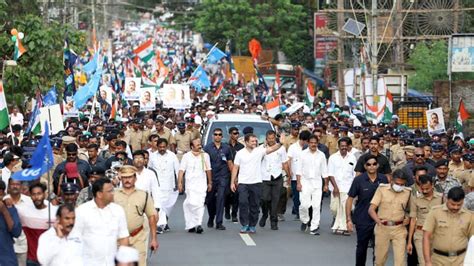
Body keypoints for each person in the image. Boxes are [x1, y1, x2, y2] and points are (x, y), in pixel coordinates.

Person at [231, 133, 283, 234]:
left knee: (254, 205)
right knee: (243, 202)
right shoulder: (240, 153)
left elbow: (272, 149)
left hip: (256, 183)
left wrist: (280, 142)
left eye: (255, 141)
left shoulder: (259, 151)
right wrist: (232, 182)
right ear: (246, 142)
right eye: (252, 141)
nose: (254, 143)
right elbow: (235, 168)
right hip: (243, 183)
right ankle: (244, 224)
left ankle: (252, 225)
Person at [74, 178, 129, 265]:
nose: (113, 193)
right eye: (109, 191)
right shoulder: (82, 211)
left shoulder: (118, 210)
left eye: (113, 190)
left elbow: (123, 237)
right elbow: (74, 239)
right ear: (99, 194)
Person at [346, 154, 389, 266]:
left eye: (374, 164)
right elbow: (350, 199)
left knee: (378, 248)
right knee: (362, 247)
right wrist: (348, 219)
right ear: (365, 166)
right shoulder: (358, 180)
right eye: (369, 164)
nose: (372, 166)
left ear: (378, 165)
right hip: (362, 219)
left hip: (379, 219)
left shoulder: (383, 179)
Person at [114, 165, 158, 266]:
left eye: (130, 177)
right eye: (124, 177)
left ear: (135, 178)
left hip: (138, 236)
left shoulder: (144, 195)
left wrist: (154, 239)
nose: (127, 180)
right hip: (118, 238)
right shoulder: (113, 194)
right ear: (121, 178)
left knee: (140, 263)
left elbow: (151, 216)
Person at [368, 169, 411, 266]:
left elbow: (410, 210)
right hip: (383, 227)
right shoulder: (382, 189)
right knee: (380, 260)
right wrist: (378, 221)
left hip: (399, 229)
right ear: (391, 180)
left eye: (402, 184)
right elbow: (371, 209)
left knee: (400, 262)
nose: (399, 186)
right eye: (397, 183)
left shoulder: (408, 192)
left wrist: (407, 218)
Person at [423, 187, 474, 265]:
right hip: (438, 260)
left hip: (461, 260)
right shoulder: (435, 212)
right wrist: (427, 261)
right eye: (452, 204)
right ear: (446, 199)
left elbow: (472, 240)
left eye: (459, 205)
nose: (455, 207)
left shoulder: (469, 216)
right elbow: (426, 237)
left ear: (463, 201)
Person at [16, 183, 59, 266]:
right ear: (30, 196)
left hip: (49, 259)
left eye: (39, 194)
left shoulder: (53, 212)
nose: (36, 197)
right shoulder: (24, 210)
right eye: (34, 194)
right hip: (32, 259)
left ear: (44, 194)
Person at [407, 174, 443, 266]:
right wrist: (409, 241)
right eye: (422, 189)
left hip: (437, 234)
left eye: (427, 188)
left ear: (432, 185)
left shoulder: (441, 198)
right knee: (423, 262)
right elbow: (413, 220)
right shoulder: (416, 199)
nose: (425, 191)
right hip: (420, 234)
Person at [178, 138, 212, 234]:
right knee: (191, 204)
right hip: (190, 185)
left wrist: (210, 182)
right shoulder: (186, 156)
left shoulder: (205, 156)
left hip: (201, 184)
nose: (199, 146)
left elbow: (208, 170)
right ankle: (191, 224)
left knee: (200, 204)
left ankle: (198, 224)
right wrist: (179, 183)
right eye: (197, 145)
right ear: (192, 146)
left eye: (200, 144)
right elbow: (181, 170)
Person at [296, 135, 328, 236]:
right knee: (304, 205)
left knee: (316, 205)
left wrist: (326, 184)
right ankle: (305, 220)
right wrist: (298, 183)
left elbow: (325, 171)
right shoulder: (302, 154)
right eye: (311, 142)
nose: (313, 144)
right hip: (305, 182)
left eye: (315, 143)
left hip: (317, 182)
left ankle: (314, 227)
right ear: (308, 143)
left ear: (317, 143)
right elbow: (298, 170)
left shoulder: (321, 155)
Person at [148, 138, 180, 233]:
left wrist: (179, 183)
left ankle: (164, 223)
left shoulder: (172, 156)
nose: (162, 148)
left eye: (164, 147)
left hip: (170, 185)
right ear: (157, 147)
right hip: (157, 185)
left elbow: (177, 170)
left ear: (167, 147)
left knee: (168, 205)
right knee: (160, 204)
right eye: (160, 147)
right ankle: (160, 225)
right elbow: (150, 170)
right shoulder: (152, 156)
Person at [204, 128, 233, 230]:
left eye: (220, 134)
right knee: (210, 200)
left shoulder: (226, 148)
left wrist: (234, 178)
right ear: (213, 136)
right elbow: (204, 164)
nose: (218, 136)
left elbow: (230, 163)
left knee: (221, 198)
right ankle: (211, 216)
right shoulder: (207, 148)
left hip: (223, 176)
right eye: (216, 134)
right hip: (211, 177)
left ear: (222, 136)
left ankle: (219, 222)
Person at [259, 130, 289, 230]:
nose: (271, 140)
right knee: (264, 199)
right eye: (269, 139)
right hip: (264, 177)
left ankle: (274, 221)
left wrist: (288, 175)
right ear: (266, 139)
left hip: (277, 177)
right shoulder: (261, 148)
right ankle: (264, 214)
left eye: (273, 138)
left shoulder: (281, 149)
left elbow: (285, 163)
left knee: (275, 201)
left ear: (275, 138)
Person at [327, 137, 356, 235]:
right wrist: (335, 187)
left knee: (345, 207)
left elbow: (354, 173)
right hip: (335, 187)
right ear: (338, 147)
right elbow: (330, 173)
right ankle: (337, 221)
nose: (344, 148)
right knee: (334, 208)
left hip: (348, 187)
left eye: (345, 146)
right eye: (342, 146)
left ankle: (343, 228)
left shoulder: (352, 157)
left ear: (348, 147)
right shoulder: (333, 158)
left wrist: (355, 188)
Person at [4, 178, 32, 266]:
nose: (15, 186)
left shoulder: (29, 201)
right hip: (6, 246)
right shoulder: (3, 201)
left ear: (21, 186)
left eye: (17, 184)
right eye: (13, 184)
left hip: (22, 245)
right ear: (8, 186)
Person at [287, 130, 311, 220]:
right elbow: (289, 160)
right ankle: (298, 212)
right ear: (301, 140)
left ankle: (306, 212)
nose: (306, 143)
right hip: (295, 177)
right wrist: (289, 172)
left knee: (305, 196)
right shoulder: (293, 147)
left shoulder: (309, 148)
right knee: (296, 196)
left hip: (306, 176)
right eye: (305, 141)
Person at [0, 182, 22, 266]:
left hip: (6, 260)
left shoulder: (10, 208)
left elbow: (16, 232)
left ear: (1, 192)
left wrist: (4, 211)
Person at [225, 127, 244, 222]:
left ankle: (234, 214)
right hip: (226, 173)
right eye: (234, 133)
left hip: (237, 174)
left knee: (236, 195)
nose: (236, 135)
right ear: (230, 134)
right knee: (227, 194)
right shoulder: (225, 146)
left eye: (237, 133)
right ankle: (227, 209)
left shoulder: (241, 147)